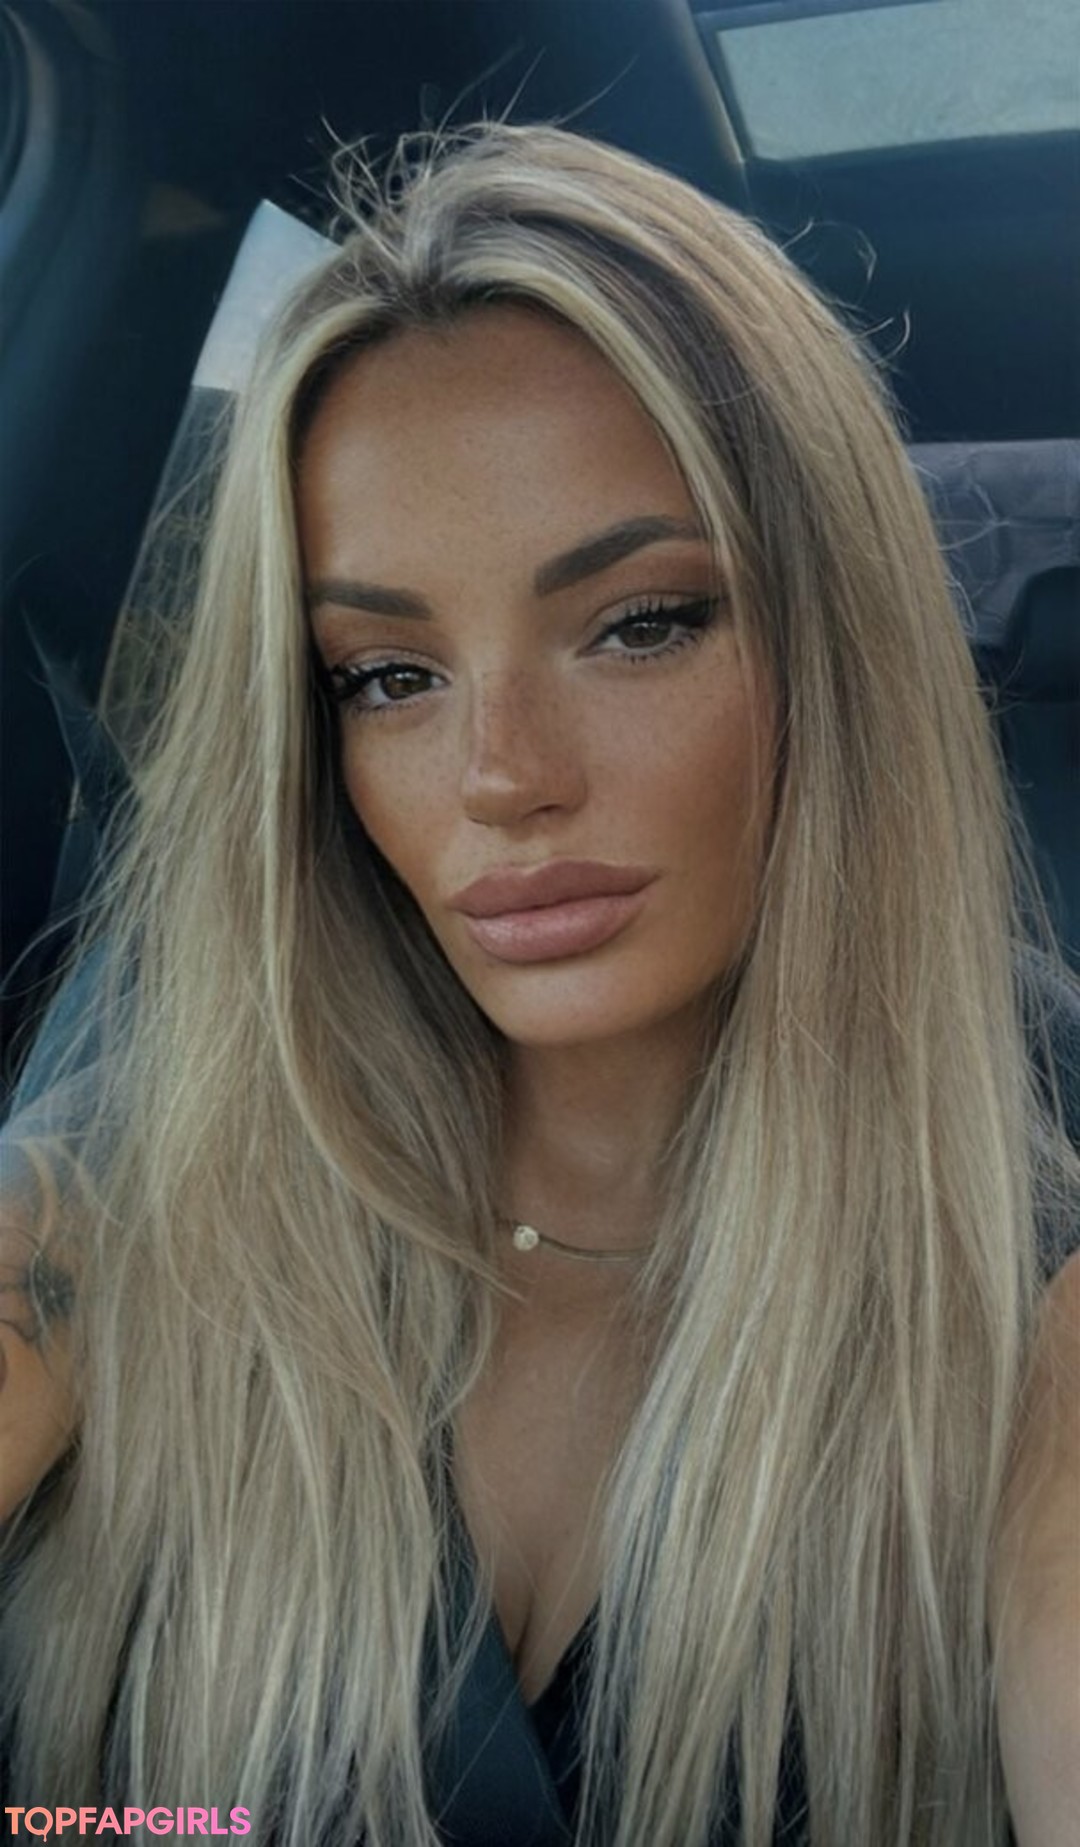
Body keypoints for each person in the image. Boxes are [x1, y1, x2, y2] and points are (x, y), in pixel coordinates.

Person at [1, 121, 1077, 1847]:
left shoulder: (1033, 1265)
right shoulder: (122, 1199)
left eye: (641, 624)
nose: (501, 777)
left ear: (841, 646)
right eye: (388, 674)